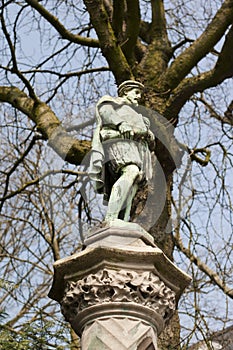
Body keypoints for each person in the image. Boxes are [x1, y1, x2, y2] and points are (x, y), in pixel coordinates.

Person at [89, 80, 155, 222]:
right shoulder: (112, 102)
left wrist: (148, 135)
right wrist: (121, 123)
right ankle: (111, 217)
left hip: (135, 149)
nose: (139, 97)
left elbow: (149, 139)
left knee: (134, 181)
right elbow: (105, 112)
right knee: (131, 171)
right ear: (126, 91)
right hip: (119, 143)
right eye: (136, 92)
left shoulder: (139, 116)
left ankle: (122, 219)